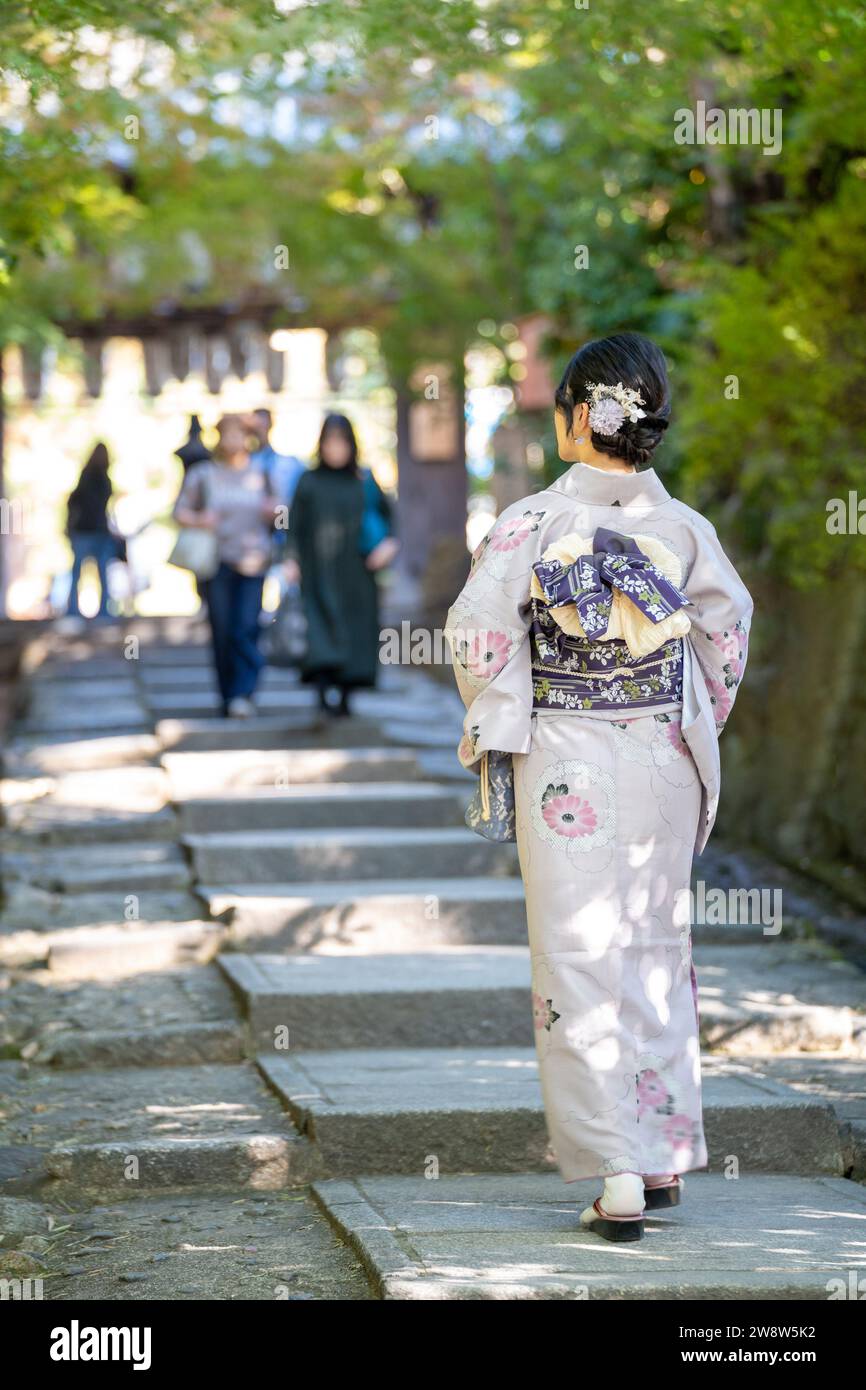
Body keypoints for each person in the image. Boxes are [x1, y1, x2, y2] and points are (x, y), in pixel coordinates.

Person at [445, 332, 753, 1243]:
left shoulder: (526, 525)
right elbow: (724, 646)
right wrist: (683, 718)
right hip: (662, 754)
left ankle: (615, 1170)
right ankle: (657, 1157)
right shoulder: (686, 531)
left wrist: (506, 714)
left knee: (578, 953)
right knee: (655, 945)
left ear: (582, 417)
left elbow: (477, 641)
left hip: (567, 763)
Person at [288, 413, 397, 717]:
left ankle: (347, 696)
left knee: (355, 629)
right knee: (320, 628)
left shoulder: (363, 479)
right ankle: (322, 693)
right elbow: (293, 524)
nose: (335, 448)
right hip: (317, 571)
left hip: (358, 571)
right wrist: (290, 559)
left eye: (341, 441)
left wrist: (388, 546)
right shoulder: (308, 481)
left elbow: (390, 519)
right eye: (329, 441)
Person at [173, 414, 279, 718]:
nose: (233, 441)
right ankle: (227, 693)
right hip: (215, 561)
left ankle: (245, 691)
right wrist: (198, 519)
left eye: (239, 434)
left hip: (253, 560)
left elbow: (282, 510)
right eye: (227, 434)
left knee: (246, 626)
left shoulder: (262, 473)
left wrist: (273, 512)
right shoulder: (204, 474)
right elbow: (179, 510)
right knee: (221, 628)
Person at [65, 443, 115, 619]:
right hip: (94, 531)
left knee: (80, 572)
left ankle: (74, 610)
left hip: (87, 531)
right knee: (99, 572)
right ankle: (102, 611)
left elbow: (74, 502)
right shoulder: (99, 480)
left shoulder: (88, 478)